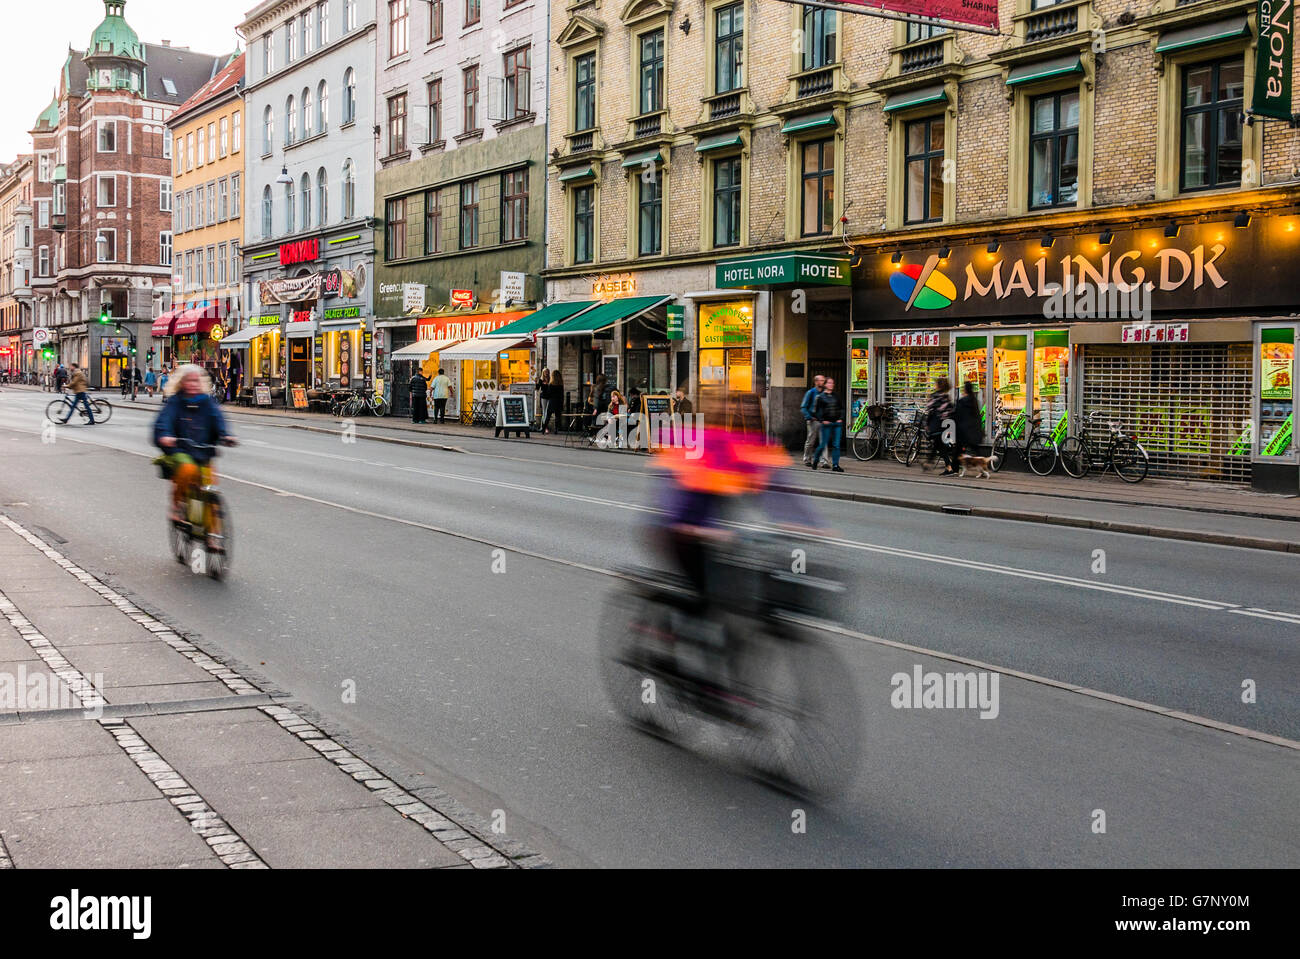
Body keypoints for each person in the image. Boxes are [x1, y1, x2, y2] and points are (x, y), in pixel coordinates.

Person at [153, 364, 235, 525]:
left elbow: (217, 418)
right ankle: (176, 507)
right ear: (182, 383)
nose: (193, 384)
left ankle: (213, 534)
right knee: (187, 470)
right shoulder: (175, 402)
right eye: (189, 381)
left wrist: (226, 435)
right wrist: (165, 436)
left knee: (210, 488)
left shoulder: (207, 401)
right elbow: (164, 422)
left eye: (196, 381)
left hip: (204, 451)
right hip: (181, 449)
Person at [925, 376, 957, 476]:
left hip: (937, 425)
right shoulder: (946, 397)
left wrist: (927, 424)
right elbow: (951, 410)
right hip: (946, 426)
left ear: (938, 385)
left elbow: (930, 410)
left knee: (940, 446)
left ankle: (949, 467)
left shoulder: (935, 396)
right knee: (938, 445)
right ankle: (928, 463)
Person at [811, 377, 845, 472]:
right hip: (826, 424)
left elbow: (842, 408)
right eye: (829, 383)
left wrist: (840, 418)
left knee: (836, 445)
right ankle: (816, 460)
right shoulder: (820, 397)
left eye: (832, 383)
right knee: (822, 445)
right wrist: (822, 420)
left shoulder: (836, 396)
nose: (831, 385)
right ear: (825, 384)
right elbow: (816, 412)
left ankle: (835, 465)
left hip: (836, 424)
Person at [800, 374, 826, 467]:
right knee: (810, 441)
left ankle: (824, 461)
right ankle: (807, 459)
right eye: (821, 380)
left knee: (824, 442)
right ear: (816, 382)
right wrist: (809, 417)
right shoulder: (810, 393)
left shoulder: (825, 393)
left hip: (823, 421)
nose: (823, 382)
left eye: (823, 380)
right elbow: (803, 407)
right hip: (813, 420)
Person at [955, 381, 983, 460]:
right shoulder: (974, 401)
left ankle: (953, 468)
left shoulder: (962, 401)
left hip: (964, 430)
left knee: (958, 450)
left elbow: (957, 414)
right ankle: (982, 466)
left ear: (965, 390)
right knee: (975, 450)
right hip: (973, 430)